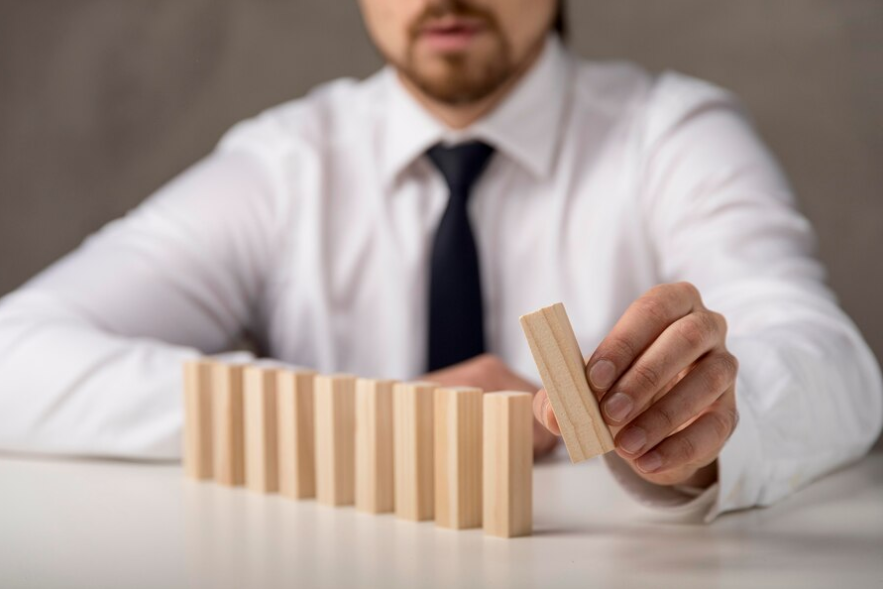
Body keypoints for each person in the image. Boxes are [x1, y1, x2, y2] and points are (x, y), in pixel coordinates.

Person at [0, 0, 879, 521]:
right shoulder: (282, 163)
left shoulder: (669, 132)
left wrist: (715, 428)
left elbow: (832, 362)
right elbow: (14, 356)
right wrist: (358, 420)